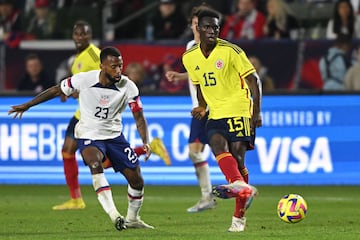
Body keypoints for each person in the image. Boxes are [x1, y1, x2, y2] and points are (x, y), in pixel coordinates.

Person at [8, 46, 155, 231]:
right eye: (114, 67)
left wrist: (145, 141)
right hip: (88, 134)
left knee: (137, 180)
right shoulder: (84, 79)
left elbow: (139, 116)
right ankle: (114, 215)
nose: (118, 71)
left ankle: (133, 219)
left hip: (115, 137)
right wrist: (28, 105)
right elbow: (56, 90)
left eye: (120, 66)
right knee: (95, 164)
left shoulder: (128, 86)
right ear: (102, 66)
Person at [54, 20, 171, 211]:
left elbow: (101, 82)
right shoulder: (79, 57)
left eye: (83, 34)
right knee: (77, 154)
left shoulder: (93, 55)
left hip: (90, 117)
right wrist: (70, 92)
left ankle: (76, 198)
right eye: (76, 34)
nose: (79, 38)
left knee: (83, 155)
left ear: (90, 36)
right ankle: (75, 198)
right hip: (84, 113)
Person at [182, 8, 261, 232]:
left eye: (215, 27)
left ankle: (239, 218)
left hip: (240, 110)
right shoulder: (190, 57)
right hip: (215, 113)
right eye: (206, 27)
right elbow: (199, 85)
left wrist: (257, 113)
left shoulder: (231, 51)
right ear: (198, 28)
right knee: (216, 143)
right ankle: (240, 185)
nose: (211, 31)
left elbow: (254, 80)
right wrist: (202, 106)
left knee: (238, 160)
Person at [166, 5, 216, 213]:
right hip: (198, 108)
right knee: (195, 152)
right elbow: (198, 73)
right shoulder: (190, 47)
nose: (197, 28)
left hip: (215, 107)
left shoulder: (214, 48)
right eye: (195, 24)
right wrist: (180, 76)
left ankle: (242, 188)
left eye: (201, 25)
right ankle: (208, 197)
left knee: (225, 150)